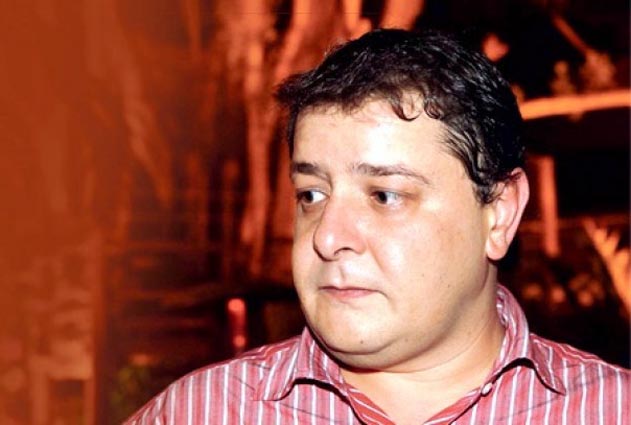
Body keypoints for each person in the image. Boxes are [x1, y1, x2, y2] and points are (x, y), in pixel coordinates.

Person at [125, 28, 629, 424]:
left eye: (385, 195)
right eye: (311, 195)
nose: (327, 237)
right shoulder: (203, 412)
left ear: (499, 213)